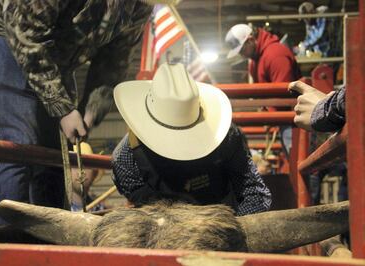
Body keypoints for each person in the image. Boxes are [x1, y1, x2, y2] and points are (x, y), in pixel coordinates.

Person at [0, 1, 158, 226]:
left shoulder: (141, 6)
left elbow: (114, 59)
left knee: (54, 156)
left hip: (51, 50)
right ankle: (2, 248)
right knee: (15, 141)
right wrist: (63, 107)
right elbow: (25, 30)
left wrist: (90, 111)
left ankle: (48, 243)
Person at [111, 63, 271, 216]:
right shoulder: (127, 159)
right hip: (167, 235)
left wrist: (231, 234)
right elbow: (146, 212)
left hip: (225, 223)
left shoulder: (226, 137)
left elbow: (253, 192)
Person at [225, 24, 301, 156]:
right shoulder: (256, 60)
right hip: (286, 119)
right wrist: (267, 114)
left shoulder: (275, 54)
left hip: (295, 120)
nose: (242, 55)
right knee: (295, 159)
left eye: (242, 49)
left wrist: (269, 116)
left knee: (299, 160)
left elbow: (284, 92)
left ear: (250, 40)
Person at [71, 142, 101, 212]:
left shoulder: (101, 210)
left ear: (95, 173)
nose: (81, 171)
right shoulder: (57, 209)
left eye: (86, 165)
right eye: (75, 165)